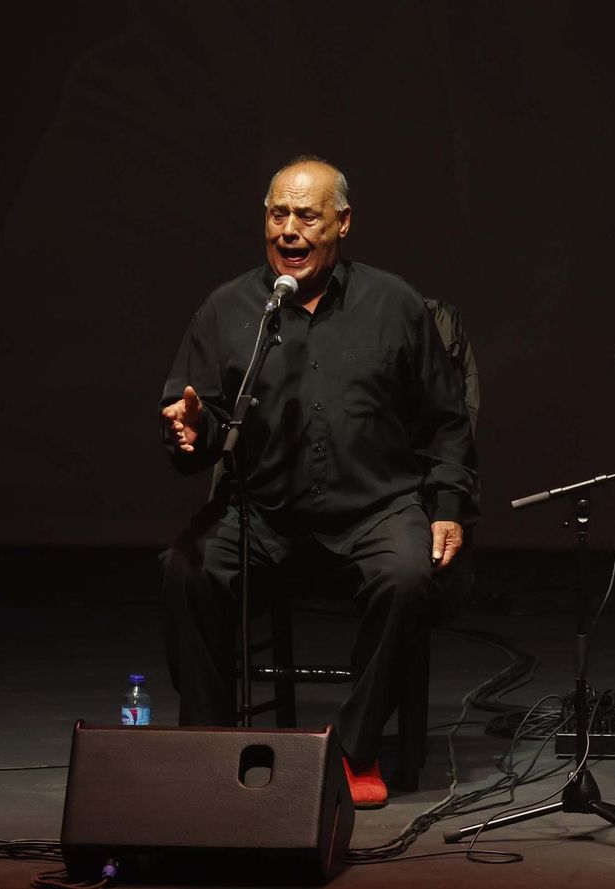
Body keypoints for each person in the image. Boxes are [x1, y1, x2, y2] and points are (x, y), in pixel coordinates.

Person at [159, 156, 479, 809]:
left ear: (343, 223)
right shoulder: (229, 308)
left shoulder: (394, 304)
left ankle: (355, 750)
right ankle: (207, 747)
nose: (289, 229)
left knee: (408, 576)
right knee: (186, 568)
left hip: (375, 507)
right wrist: (190, 431)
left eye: (306, 215)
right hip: (262, 509)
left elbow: (447, 420)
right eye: (278, 214)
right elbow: (203, 421)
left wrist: (447, 504)